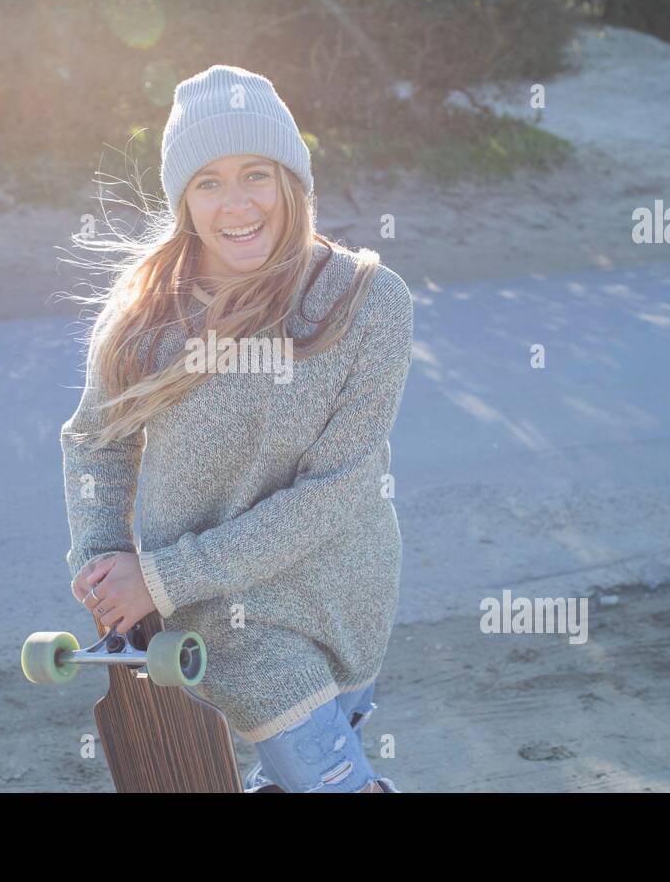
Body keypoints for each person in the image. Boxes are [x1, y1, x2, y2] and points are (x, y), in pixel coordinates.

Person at [60, 65, 412, 793]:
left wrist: (154, 577)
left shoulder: (367, 302)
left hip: (346, 600)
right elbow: (96, 441)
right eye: (208, 181)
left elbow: (337, 490)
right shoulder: (145, 317)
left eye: (257, 173)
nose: (237, 202)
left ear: (293, 180)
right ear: (183, 200)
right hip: (223, 624)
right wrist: (105, 570)